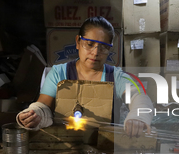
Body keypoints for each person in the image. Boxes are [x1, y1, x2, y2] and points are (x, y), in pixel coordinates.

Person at [16, 16, 153, 137]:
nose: (95, 52)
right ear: (78, 42)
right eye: (89, 44)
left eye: (103, 47)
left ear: (110, 49)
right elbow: (43, 106)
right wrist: (34, 114)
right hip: (65, 146)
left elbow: (139, 98)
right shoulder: (59, 73)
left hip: (105, 148)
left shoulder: (116, 76)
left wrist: (137, 117)